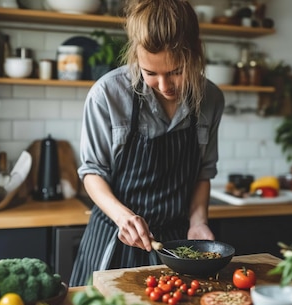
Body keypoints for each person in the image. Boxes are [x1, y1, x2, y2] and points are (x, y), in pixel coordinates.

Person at [70, 0, 225, 286]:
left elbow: (203, 173)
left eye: (176, 71)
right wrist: (124, 217)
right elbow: (92, 172)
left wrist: (198, 222)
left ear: (195, 54)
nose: (165, 86)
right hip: (115, 238)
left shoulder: (211, 99)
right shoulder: (108, 94)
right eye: (150, 73)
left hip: (177, 246)